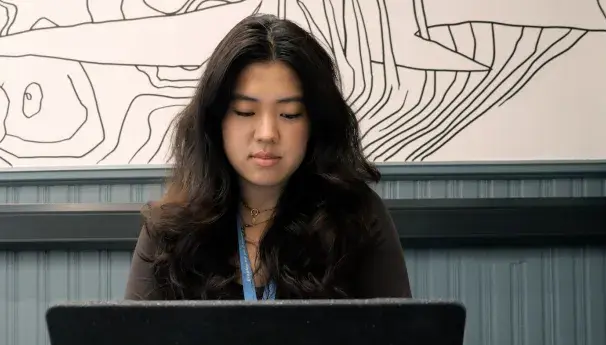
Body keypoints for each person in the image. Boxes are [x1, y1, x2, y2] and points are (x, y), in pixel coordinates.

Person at [124, 13, 411, 300]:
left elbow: (403, 340)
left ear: (316, 122)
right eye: (245, 112)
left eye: (289, 114)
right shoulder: (168, 230)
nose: (267, 133)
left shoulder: (357, 219)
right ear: (215, 120)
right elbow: (132, 343)